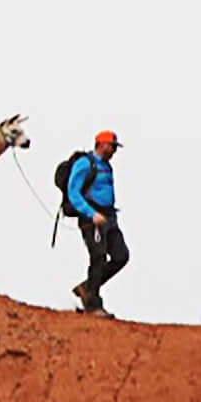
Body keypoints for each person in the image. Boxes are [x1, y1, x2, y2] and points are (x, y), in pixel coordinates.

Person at [66, 129, 128, 316]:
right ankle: (92, 304)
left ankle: (87, 287)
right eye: (112, 147)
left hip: (109, 218)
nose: (114, 151)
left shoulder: (107, 167)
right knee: (98, 257)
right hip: (92, 219)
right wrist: (91, 213)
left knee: (121, 256)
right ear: (102, 145)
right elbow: (73, 192)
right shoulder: (85, 164)